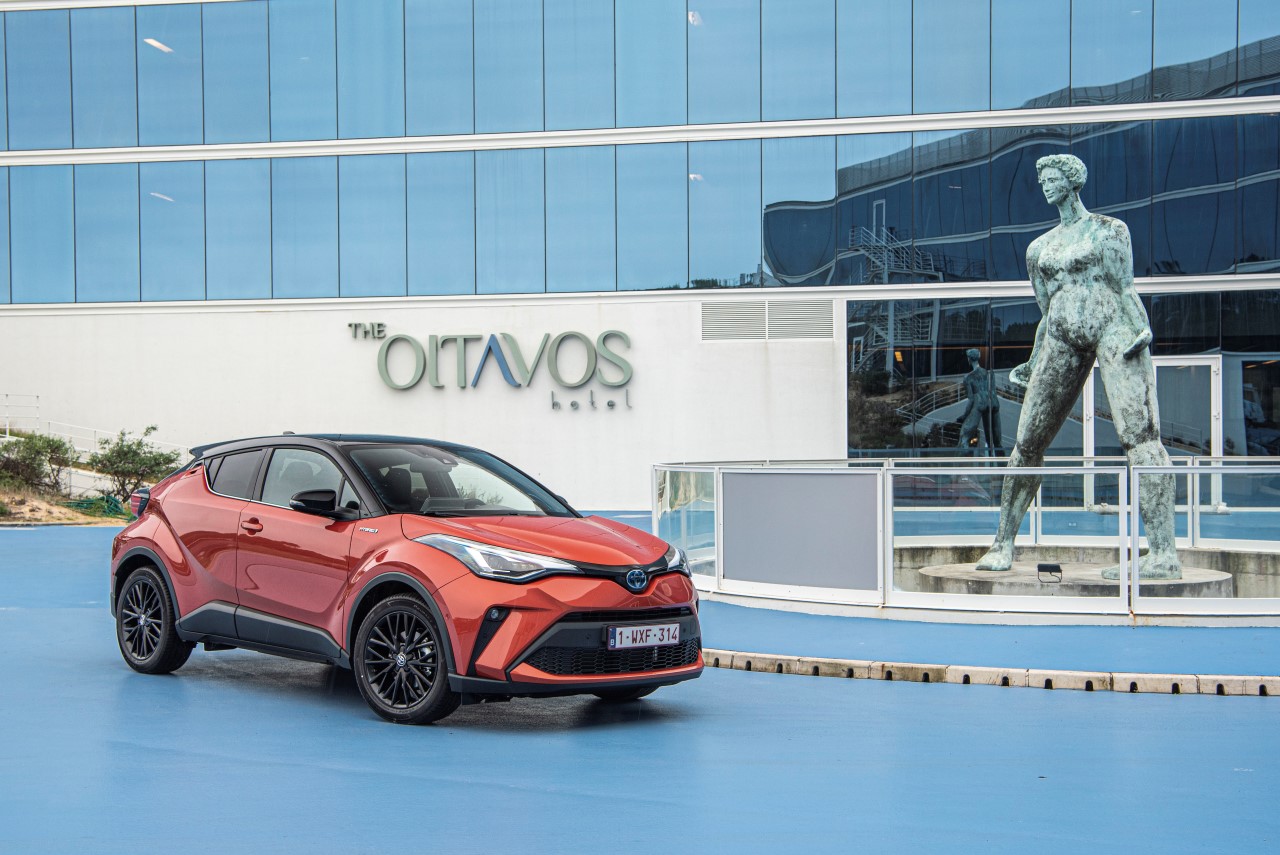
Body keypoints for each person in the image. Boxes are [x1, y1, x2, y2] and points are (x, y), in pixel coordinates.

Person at [976, 154, 1180, 579]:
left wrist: (1141, 328)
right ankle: (1002, 544)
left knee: (1141, 435)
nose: (1046, 186)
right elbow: (1047, 309)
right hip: (1061, 335)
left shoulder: (1109, 231)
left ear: (1072, 182)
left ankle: (1163, 554)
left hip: (1114, 327)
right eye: (1042, 181)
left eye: (1052, 179)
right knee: (1026, 442)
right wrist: (1035, 357)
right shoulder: (1038, 250)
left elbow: (1125, 288)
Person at [955, 348, 1002, 455]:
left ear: (969, 359)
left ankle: (961, 463)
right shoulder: (989, 374)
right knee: (996, 441)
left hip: (979, 403)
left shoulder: (968, 377)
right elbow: (993, 391)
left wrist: (964, 415)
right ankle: (1002, 464)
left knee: (964, 436)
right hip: (993, 403)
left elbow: (971, 400)